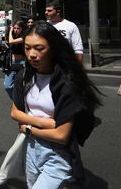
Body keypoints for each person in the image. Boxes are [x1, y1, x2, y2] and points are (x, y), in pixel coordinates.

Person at [11, 20, 101, 188]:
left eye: (39, 48)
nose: (31, 54)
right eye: (27, 47)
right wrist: (45, 122)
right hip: (31, 149)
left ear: (53, 49)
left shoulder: (67, 82)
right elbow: (15, 113)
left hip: (58, 154)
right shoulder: (24, 77)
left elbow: (61, 135)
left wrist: (28, 128)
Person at [4, 21, 26, 99]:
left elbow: (11, 42)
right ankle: (17, 100)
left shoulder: (24, 37)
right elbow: (7, 41)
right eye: (15, 28)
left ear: (22, 29)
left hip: (21, 63)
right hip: (11, 63)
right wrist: (9, 31)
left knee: (21, 85)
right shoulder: (12, 35)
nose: (16, 30)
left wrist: (10, 31)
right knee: (7, 86)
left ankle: (21, 102)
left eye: (18, 28)